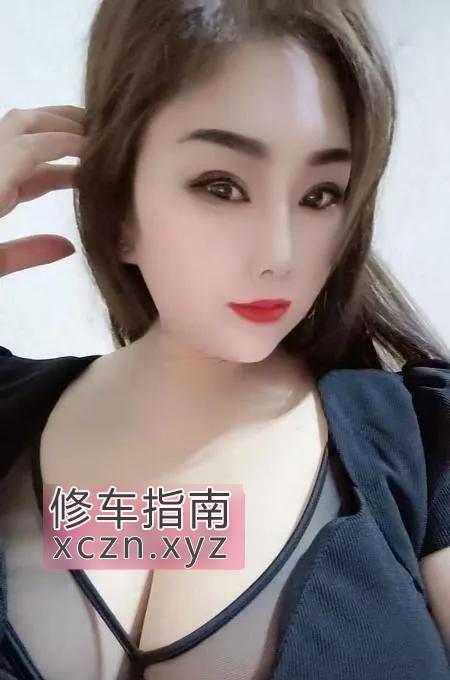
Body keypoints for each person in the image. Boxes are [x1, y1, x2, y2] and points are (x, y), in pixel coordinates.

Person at [0, 0, 449, 678]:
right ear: (118, 204)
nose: (279, 255)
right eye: (221, 186)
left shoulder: (425, 441)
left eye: (321, 195)